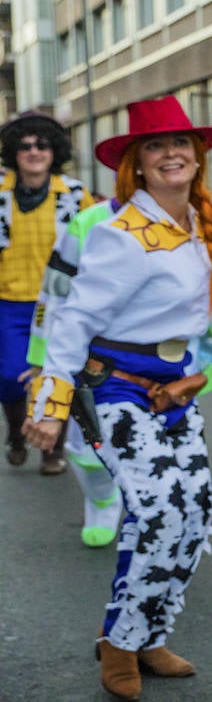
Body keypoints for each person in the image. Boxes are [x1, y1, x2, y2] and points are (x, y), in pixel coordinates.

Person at [23, 95, 212, 700]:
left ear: (198, 156)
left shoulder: (196, 224)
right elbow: (73, 322)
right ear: (135, 163)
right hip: (118, 394)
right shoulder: (119, 233)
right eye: (155, 146)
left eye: (180, 144)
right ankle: (121, 641)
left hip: (175, 390)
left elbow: (183, 301)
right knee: (158, 516)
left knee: (195, 516)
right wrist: (49, 408)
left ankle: (151, 632)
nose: (171, 154)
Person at [27, 190, 212, 549]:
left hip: (173, 369)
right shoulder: (91, 222)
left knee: (174, 497)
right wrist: (43, 362)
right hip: (98, 366)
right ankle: (102, 500)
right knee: (87, 453)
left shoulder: (195, 219)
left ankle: (158, 543)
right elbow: (58, 293)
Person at [0, 111, 93, 471]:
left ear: (54, 150)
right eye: (24, 146)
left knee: (59, 374)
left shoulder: (74, 194)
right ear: (13, 152)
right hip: (9, 303)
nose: (34, 151)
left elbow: (96, 247)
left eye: (42, 144)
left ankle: (52, 448)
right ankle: (16, 431)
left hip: (62, 304)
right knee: (9, 378)